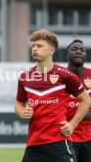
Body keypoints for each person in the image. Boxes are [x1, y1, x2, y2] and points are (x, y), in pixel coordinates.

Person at [14, 29, 91, 162]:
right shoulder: (25, 77)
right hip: (33, 144)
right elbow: (18, 104)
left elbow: (86, 100)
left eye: (39, 46)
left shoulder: (66, 76)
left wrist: (72, 124)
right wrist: (21, 112)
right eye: (33, 46)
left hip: (59, 143)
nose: (35, 49)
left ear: (51, 50)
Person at [66, 39, 91, 162]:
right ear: (67, 54)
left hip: (89, 138)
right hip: (65, 138)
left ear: (85, 55)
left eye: (82, 50)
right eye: (74, 49)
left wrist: (86, 114)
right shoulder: (59, 77)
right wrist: (81, 113)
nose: (78, 52)